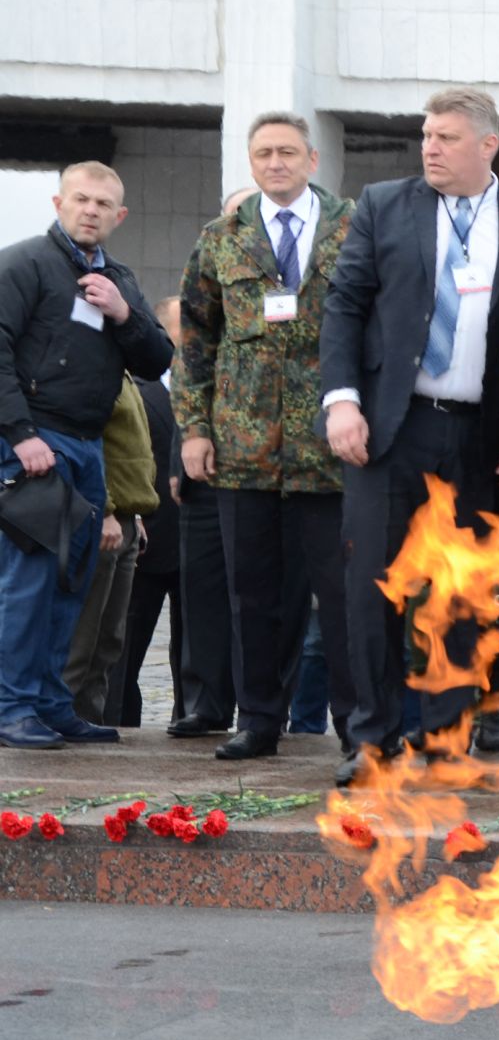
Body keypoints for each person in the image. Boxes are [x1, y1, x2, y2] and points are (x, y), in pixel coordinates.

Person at [320, 87, 499, 785]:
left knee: (466, 592)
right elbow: (345, 305)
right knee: (372, 588)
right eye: (426, 135)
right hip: (391, 427)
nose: (430, 148)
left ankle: (445, 734)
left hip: (476, 435)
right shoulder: (385, 204)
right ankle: (373, 737)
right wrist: (341, 402)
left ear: (488, 146)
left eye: (447, 137)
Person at [178, 111, 358, 759]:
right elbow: (195, 341)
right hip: (244, 448)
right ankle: (257, 719)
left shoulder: (353, 227)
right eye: (263, 154)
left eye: (287, 152)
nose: (275, 163)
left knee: (341, 597)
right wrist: (194, 431)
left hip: (331, 451)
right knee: (252, 592)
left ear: (313, 159)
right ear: (250, 163)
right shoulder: (222, 238)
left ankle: (356, 727)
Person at [0, 162, 171, 748]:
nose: (91, 210)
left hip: (89, 446)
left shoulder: (119, 277)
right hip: (35, 443)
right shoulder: (24, 263)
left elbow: (155, 359)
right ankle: (12, 707)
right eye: (81, 199)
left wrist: (123, 312)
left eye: (103, 204)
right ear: (59, 202)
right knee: (28, 582)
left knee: (74, 582)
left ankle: (53, 705)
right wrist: (20, 435)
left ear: (119, 216)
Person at [62, 376, 157, 728]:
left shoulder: (125, 373)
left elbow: (128, 450)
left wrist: (134, 513)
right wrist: (104, 509)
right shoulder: (93, 370)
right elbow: (83, 445)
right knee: (82, 639)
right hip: (100, 519)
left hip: (126, 521)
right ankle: (61, 719)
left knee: (109, 640)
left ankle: (88, 722)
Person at [116, 300, 182, 728]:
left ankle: (192, 720)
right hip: (148, 542)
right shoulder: (137, 389)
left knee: (196, 652)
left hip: (199, 546)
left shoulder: (217, 389)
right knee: (125, 648)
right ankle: (120, 722)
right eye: (183, 327)